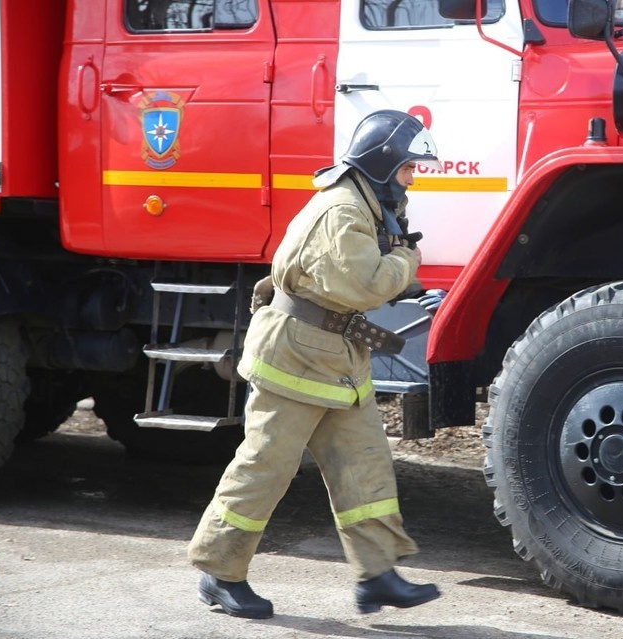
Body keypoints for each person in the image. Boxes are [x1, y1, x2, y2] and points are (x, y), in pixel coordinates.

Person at [186, 109, 444, 619]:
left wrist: (414, 284)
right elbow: (365, 282)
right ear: (382, 164)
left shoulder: (366, 206)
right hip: (295, 356)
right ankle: (219, 572)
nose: (412, 178)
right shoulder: (343, 211)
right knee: (266, 465)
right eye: (408, 168)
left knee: (364, 463)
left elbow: (353, 274)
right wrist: (409, 264)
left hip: (336, 357)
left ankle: (378, 575)